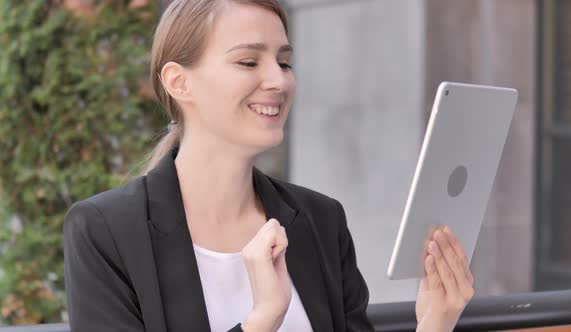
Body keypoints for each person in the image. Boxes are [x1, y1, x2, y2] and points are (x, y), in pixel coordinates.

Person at [63, 0, 474, 331]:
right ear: (178, 82)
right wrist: (263, 318)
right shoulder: (106, 231)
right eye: (248, 62)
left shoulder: (320, 220)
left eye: (284, 61)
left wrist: (435, 322)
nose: (278, 80)